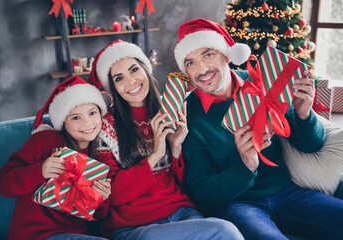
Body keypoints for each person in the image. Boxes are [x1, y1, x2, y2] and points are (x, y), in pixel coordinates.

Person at [173, 18, 343, 240]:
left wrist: (303, 115)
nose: (202, 69)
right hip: (236, 205)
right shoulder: (189, 116)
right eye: (190, 62)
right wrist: (245, 166)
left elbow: (310, 145)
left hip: (286, 192)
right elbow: (201, 194)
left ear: (227, 54)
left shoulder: (260, 82)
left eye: (207, 54)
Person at [87, 39, 244, 240]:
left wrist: (175, 147)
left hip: (181, 213)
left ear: (145, 70)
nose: (131, 81)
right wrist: (154, 157)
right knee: (225, 231)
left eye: (134, 70)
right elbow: (113, 194)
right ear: (113, 88)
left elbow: (182, 183)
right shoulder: (104, 126)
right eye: (119, 78)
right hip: (133, 226)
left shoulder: (167, 109)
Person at [0, 76, 111, 240]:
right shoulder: (45, 141)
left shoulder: (102, 153)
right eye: (76, 117)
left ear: (101, 114)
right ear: (63, 122)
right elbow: (2, 184)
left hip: (79, 234)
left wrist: (102, 198)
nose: (87, 123)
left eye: (92, 113)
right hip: (36, 234)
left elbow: (98, 218)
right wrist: (39, 171)